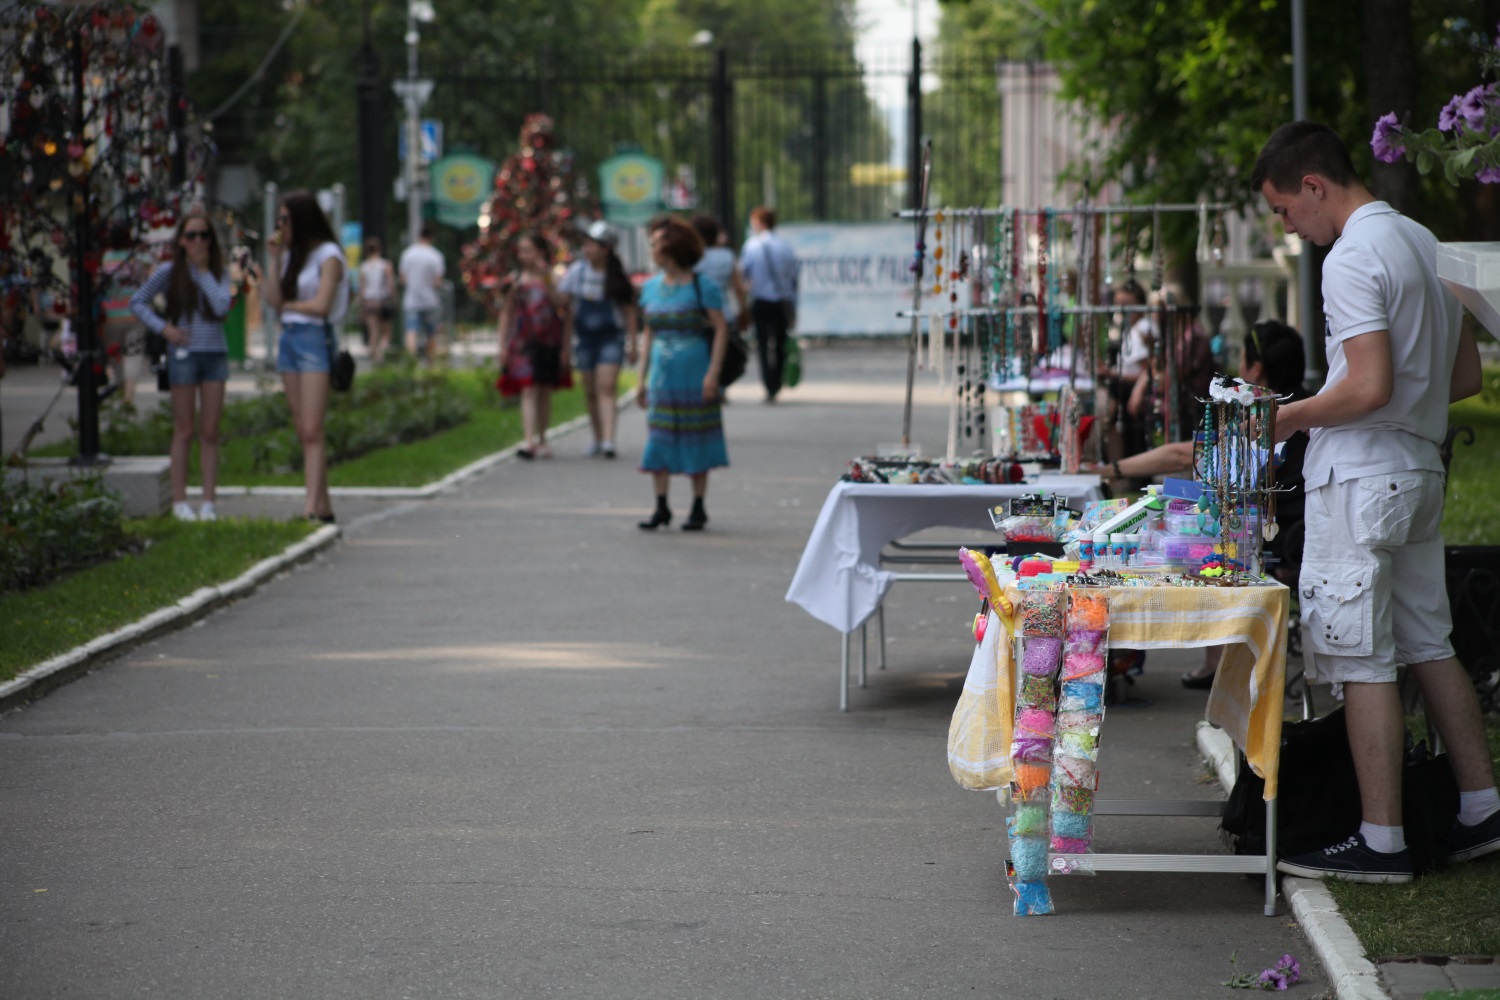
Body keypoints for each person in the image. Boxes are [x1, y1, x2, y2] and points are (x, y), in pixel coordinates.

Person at [1249, 120, 1497, 883]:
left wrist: (1283, 416)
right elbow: (1465, 381)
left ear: (1315, 186)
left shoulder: (1352, 254)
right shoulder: (1424, 242)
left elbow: (1366, 385)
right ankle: (1483, 808)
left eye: (1287, 211)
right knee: (1430, 643)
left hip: (1359, 481)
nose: (1290, 228)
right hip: (1418, 470)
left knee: (1364, 658)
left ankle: (1381, 840)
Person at [129, 210, 234, 522]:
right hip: (184, 355)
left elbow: (221, 307)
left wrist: (202, 271)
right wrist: (163, 329)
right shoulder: (168, 272)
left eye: (204, 235)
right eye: (191, 235)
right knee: (185, 429)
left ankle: (209, 502)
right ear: (181, 241)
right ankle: (179, 501)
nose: (198, 241)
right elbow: (137, 302)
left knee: (211, 430)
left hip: (214, 354)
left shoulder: (218, 271)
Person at [635, 216, 729, 531]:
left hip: (695, 369)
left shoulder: (703, 287)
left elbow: (720, 329)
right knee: (659, 435)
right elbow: (648, 334)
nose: (652, 249)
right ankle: (661, 506)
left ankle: (698, 507)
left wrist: (712, 374)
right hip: (662, 373)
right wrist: (640, 379)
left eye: (657, 243)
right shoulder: (650, 288)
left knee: (696, 434)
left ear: (672, 248)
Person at [263, 191, 349, 524]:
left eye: (285, 219)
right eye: (279, 220)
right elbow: (273, 299)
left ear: (302, 218)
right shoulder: (291, 255)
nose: (281, 225)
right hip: (289, 339)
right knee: (303, 428)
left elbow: (321, 305)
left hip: (314, 338)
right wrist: (274, 258)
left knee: (313, 428)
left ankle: (311, 508)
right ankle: (322, 505)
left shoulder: (329, 255)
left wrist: (290, 306)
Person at [559, 220, 637, 458]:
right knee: (591, 390)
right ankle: (597, 436)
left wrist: (633, 343)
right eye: (586, 244)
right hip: (585, 340)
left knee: (607, 387)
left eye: (591, 245)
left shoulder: (616, 277)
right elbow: (566, 307)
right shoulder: (577, 273)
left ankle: (608, 440)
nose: (586, 249)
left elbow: (629, 311)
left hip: (610, 338)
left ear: (605, 248)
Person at [497, 233, 571, 459]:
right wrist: (502, 344)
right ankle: (529, 441)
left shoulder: (553, 278)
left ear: (540, 252)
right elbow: (507, 312)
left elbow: (563, 305)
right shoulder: (516, 281)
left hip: (548, 341)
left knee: (543, 390)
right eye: (521, 251)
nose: (524, 255)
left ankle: (542, 438)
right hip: (523, 343)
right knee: (528, 389)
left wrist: (546, 277)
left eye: (528, 250)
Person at [739, 206, 798, 403]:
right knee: (780, 343)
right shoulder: (785, 246)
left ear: (759, 223)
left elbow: (743, 275)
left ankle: (768, 385)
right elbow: (793, 278)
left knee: (763, 346)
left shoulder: (752, 246)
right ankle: (777, 381)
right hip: (781, 302)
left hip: (761, 301)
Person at [99, 223, 148, 405]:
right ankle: (128, 396)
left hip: (110, 317)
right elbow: (150, 278)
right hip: (135, 315)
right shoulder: (138, 258)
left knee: (114, 356)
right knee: (134, 354)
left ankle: (120, 388)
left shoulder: (106, 259)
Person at [691, 213, 748, 337]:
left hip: (696, 317)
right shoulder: (727, 256)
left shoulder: (690, 258)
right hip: (724, 314)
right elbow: (738, 289)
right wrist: (743, 311)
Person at [399, 223, 445, 362]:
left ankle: (411, 361)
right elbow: (438, 282)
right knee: (432, 332)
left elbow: (402, 278)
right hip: (430, 299)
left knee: (411, 330)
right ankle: (431, 360)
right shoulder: (436, 255)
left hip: (411, 299)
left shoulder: (408, 254)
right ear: (431, 237)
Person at [358, 235, 397, 363]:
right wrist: (395, 298)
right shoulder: (385, 265)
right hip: (383, 300)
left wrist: (361, 306)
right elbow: (390, 284)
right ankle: (380, 355)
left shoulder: (364, 267)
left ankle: (374, 357)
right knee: (386, 333)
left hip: (369, 302)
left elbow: (362, 289)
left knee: (373, 332)